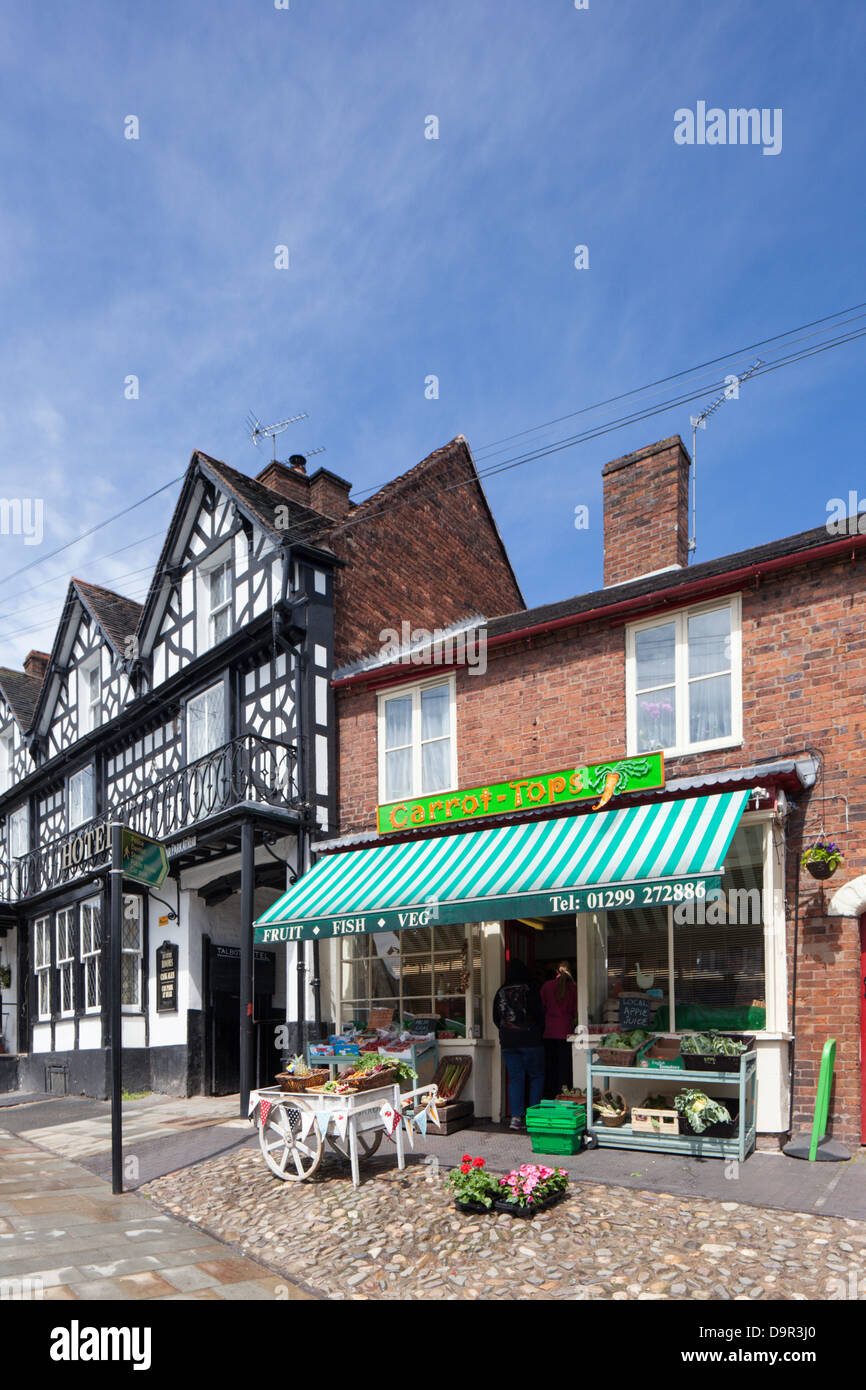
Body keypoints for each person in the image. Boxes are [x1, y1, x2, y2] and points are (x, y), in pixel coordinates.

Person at [492, 958, 545, 1130]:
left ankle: (516, 1118)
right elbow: (539, 1014)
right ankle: (534, 1116)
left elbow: (495, 1018)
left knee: (516, 1078)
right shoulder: (530, 990)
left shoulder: (500, 992)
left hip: (508, 1042)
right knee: (536, 1076)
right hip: (531, 1040)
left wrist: (508, 1031)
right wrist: (538, 1031)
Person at [540, 962, 577, 1097]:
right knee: (564, 1069)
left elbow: (541, 1008)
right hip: (566, 1032)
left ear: (557, 971)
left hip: (549, 1032)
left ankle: (550, 1097)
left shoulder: (546, 986)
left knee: (551, 1068)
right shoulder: (573, 988)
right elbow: (575, 1011)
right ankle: (563, 1097)